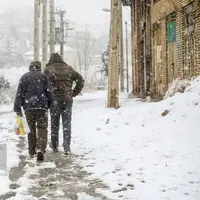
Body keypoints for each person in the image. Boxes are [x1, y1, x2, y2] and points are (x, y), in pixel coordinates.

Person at [44, 53, 84, 155]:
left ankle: (54, 144)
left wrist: (47, 97)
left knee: (54, 123)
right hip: (67, 99)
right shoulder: (69, 69)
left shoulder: (48, 69)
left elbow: (44, 85)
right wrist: (73, 93)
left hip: (54, 101)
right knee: (67, 123)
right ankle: (67, 146)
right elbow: (81, 80)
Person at [13, 61, 53, 161]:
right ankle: (40, 149)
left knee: (30, 130)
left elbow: (19, 94)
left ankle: (32, 150)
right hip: (42, 108)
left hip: (28, 108)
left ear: (30, 67)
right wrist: (49, 105)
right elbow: (49, 93)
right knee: (42, 129)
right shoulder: (44, 77)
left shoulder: (24, 77)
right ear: (39, 67)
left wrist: (17, 108)